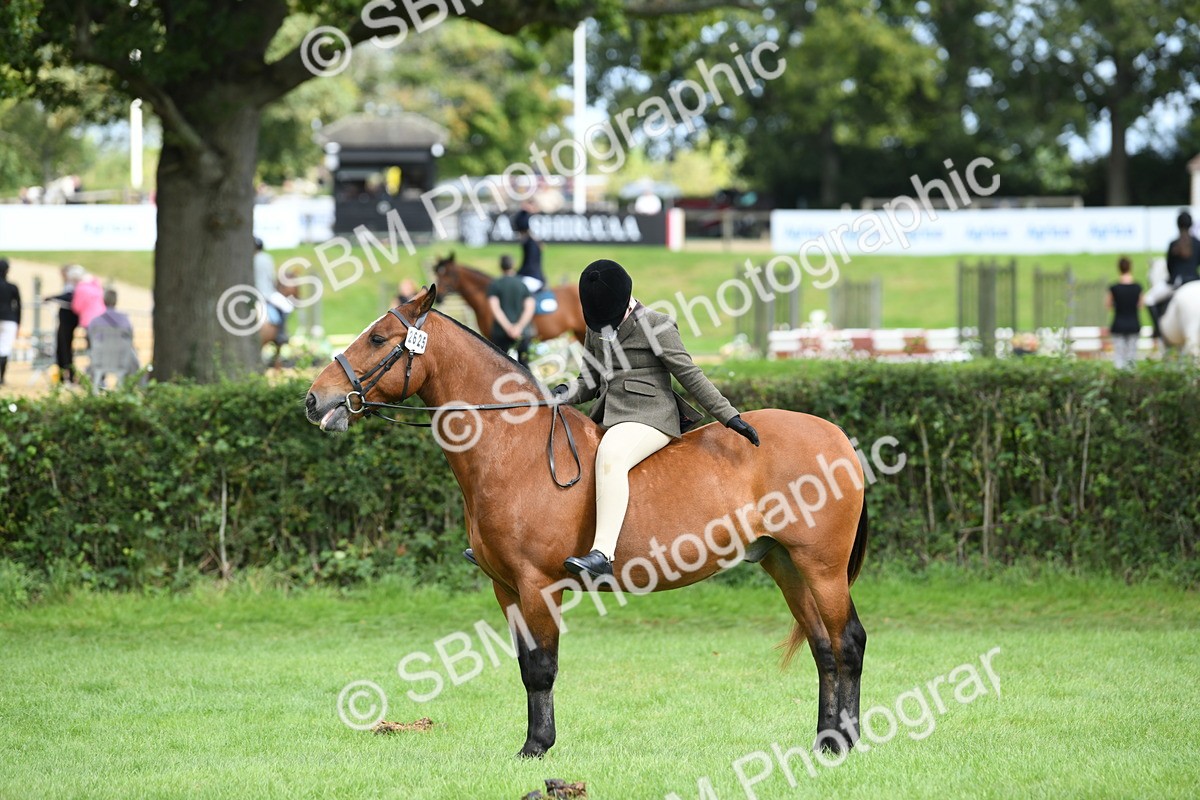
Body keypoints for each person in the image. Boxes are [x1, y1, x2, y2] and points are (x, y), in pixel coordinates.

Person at [486, 255, 535, 366]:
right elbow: (529, 307)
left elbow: (495, 308)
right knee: (525, 367)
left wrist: (508, 328)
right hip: (523, 333)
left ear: (500, 266)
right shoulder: (522, 284)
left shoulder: (495, 285)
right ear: (513, 265)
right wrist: (519, 327)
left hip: (501, 333)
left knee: (500, 367)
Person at [87, 288, 141, 380]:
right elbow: (130, 337)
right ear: (116, 301)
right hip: (121, 360)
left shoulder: (95, 321)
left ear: (103, 301)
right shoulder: (124, 320)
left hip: (100, 359)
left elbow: (90, 338)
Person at [47, 264, 83, 383]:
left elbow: (69, 297)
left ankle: (69, 376)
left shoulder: (75, 286)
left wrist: (52, 297)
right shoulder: (71, 285)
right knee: (62, 348)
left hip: (68, 320)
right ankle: (64, 375)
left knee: (65, 348)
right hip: (66, 320)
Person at [253, 237, 293, 343]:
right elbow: (271, 277)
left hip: (252, 292)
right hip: (267, 293)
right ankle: (281, 334)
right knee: (287, 307)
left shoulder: (249, 259)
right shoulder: (267, 258)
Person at [1106, 257, 1142, 369]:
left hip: (1119, 323)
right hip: (1133, 323)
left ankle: (1119, 377)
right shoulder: (1137, 287)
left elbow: (1108, 304)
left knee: (1119, 354)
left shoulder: (1114, 288)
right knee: (1131, 354)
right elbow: (1140, 305)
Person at [514, 204, 545, 294]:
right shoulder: (532, 241)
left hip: (532, 278)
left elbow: (529, 266)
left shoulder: (530, 243)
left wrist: (517, 274)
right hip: (532, 276)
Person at [0, 258, 20, 385]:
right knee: (4, 349)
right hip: (9, 319)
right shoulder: (12, 287)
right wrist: (19, 322)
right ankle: (1, 378)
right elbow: (19, 306)